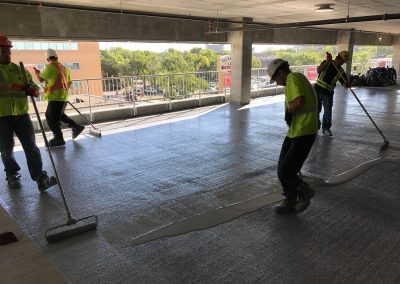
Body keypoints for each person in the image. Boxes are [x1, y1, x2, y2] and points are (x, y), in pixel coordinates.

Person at [0, 35, 57, 191]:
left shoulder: (19, 69)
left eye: (8, 51)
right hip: (2, 116)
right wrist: (15, 86)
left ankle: (40, 178)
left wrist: (33, 90)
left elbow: (36, 89)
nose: (6, 54)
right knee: (6, 149)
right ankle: (12, 175)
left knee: (31, 147)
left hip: (21, 115)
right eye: (3, 51)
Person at [267, 59, 318, 214]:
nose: (276, 82)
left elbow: (299, 101)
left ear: (281, 72)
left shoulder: (293, 78)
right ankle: (290, 200)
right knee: (282, 168)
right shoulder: (292, 80)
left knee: (286, 170)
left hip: (305, 130)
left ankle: (304, 192)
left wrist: (288, 110)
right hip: (296, 131)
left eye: (276, 78)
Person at [33, 48, 84, 147]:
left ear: (47, 59)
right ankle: (76, 127)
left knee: (50, 117)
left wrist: (36, 73)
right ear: (57, 57)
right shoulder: (65, 68)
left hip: (55, 97)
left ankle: (59, 138)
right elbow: (69, 82)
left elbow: (40, 79)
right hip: (63, 97)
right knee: (59, 115)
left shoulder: (50, 67)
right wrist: (63, 92)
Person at [314, 51, 350, 136]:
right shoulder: (327, 63)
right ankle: (315, 127)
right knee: (316, 110)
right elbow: (318, 70)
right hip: (318, 90)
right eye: (341, 61)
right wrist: (327, 61)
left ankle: (326, 128)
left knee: (328, 112)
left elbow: (344, 83)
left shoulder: (340, 71)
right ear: (337, 58)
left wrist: (346, 85)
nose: (342, 63)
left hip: (328, 93)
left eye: (343, 62)